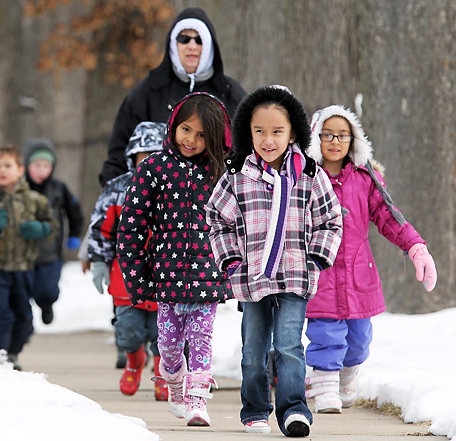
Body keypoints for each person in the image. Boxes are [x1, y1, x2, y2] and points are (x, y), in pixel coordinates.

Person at [205, 85, 343, 436]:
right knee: (253, 350)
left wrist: (315, 258)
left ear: (293, 132)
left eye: (277, 131)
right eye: (260, 131)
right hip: (251, 279)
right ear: (247, 133)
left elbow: (331, 220)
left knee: (289, 347)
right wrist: (231, 261)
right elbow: (216, 219)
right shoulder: (238, 177)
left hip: (295, 277)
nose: (268, 140)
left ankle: (294, 409)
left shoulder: (310, 175)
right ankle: (254, 408)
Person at [302, 105, 437, 414]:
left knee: (359, 340)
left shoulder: (365, 178)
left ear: (353, 140)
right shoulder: (307, 178)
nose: (335, 142)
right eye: (327, 135)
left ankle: (348, 376)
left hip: (357, 273)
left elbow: (388, 217)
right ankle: (324, 389)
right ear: (316, 138)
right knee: (325, 334)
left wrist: (415, 246)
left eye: (342, 135)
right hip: (320, 272)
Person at [116, 93, 234, 427]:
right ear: (173, 126)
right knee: (167, 344)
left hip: (207, 273)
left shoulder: (224, 171)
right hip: (166, 274)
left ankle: (197, 399)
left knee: (201, 336)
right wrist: (136, 276)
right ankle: (174, 382)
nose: (191, 140)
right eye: (186, 129)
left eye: (201, 135)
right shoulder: (154, 168)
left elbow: (244, 213)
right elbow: (133, 224)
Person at [99, 7, 247, 186]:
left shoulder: (230, 93)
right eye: (184, 39)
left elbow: (248, 148)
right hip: (155, 196)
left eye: (199, 40)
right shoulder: (147, 91)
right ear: (173, 43)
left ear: (209, 45)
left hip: (214, 197)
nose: (192, 46)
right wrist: (112, 194)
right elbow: (119, 152)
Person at [89, 122, 167, 399]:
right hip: (127, 274)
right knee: (128, 329)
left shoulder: (176, 189)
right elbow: (101, 227)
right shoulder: (118, 190)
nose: (149, 162)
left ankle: (163, 373)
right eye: (143, 156)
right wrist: (98, 259)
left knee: (165, 332)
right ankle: (134, 362)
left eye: (155, 155)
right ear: (132, 157)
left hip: (165, 273)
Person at [0, 145, 58, 371]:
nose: (2, 170)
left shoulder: (35, 200)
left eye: (8, 166)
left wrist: (41, 229)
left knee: (22, 314)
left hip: (24, 268)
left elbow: (53, 226)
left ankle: (14, 351)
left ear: (20, 170)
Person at [23, 139, 84, 324]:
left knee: (47, 290)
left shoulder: (59, 188)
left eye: (46, 165)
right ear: (27, 166)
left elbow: (75, 214)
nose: (41, 170)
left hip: (51, 251)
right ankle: (24, 320)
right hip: (23, 251)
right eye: (37, 165)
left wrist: (74, 235)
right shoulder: (20, 188)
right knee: (22, 289)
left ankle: (46, 304)